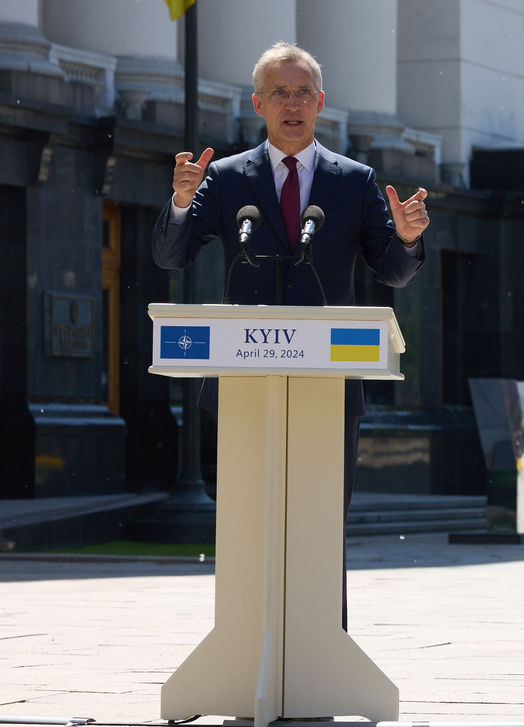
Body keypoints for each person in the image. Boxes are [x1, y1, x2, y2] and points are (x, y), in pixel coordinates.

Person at [153, 42, 430, 628]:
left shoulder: (354, 182)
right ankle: (246, 641)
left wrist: (405, 239)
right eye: (280, 92)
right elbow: (173, 255)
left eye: (304, 92)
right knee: (251, 520)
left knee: (320, 519)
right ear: (258, 103)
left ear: (322, 102)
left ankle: (322, 645)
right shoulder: (227, 179)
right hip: (244, 382)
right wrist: (181, 204)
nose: (293, 103)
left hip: (328, 385)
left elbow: (393, 271)